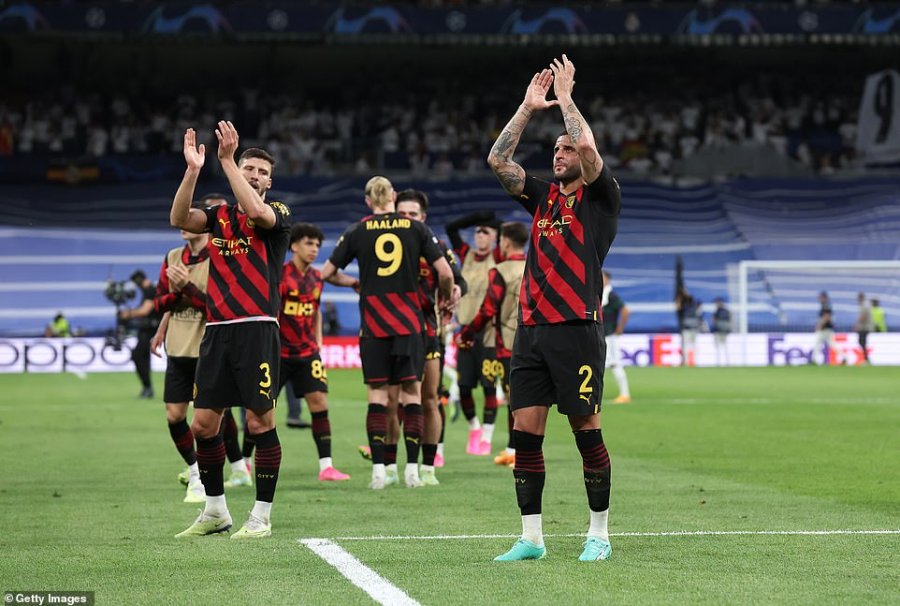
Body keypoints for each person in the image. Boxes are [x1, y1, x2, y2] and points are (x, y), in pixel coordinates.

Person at [487, 56, 621, 562]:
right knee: (525, 433)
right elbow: (498, 161)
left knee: (586, 430)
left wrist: (565, 99)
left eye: (565, 149)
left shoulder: (601, 198)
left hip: (577, 330)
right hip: (532, 331)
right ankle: (532, 538)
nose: (560, 153)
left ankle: (599, 534)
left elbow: (588, 148)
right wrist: (527, 109)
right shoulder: (542, 198)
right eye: (556, 149)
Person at [170, 123, 291, 539]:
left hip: (257, 330)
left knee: (259, 423)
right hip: (217, 331)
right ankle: (216, 511)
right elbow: (178, 218)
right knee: (203, 425)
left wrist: (226, 161)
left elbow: (257, 213)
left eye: (261, 172)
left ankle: (261, 517)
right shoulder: (219, 217)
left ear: (269, 182)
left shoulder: (279, 214)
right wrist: (193, 171)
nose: (255, 175)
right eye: (248, 168)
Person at [321, 176, 454, 489]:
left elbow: (326, 273)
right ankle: (413, 472)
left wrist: (355, 283)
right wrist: (445, 298)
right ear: (393, 196)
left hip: (374, 325)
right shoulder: (416, 228)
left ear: (368, 201)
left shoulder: (357, 230)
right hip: (410, 325)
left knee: (378, 398)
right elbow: (445, 273)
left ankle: (379, 471)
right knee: (412, 396)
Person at [395, 188, 466, 485]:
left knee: (430, 399)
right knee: (392, 400)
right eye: (402, 214)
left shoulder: (435, 245)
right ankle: (387, 465)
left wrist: (457, 290)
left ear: (423, 218)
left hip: (428, 330)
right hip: (392, 331)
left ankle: (428, 467)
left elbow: (458, 279)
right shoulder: (383, 244)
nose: (408, 219)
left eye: (413, 214)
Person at [149, 199, 215, 503]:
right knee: (174, 416)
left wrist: (187, 287)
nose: (182, 226)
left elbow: (215, 307)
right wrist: (176, 293)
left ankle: (209, 478)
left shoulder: (217, 257)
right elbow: (159, 302)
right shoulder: (173, 257)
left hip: (207, 351)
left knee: (207, 422)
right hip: (177, 349)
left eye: (189, 220)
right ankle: (194, 468)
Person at [279, 222, 356, 481]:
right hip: (278, 353)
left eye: (317, 245)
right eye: (308, 243)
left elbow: (315, 311)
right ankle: (244, 464)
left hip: (307, 353)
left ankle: (326, 467)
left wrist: (319, 339)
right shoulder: (279, 275)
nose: (314, 249)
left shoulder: (316, 278)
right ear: (294, 246)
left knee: (320, 403)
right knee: (261, 411)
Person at [458, 221, 529, 467]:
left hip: (509, 342)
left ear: (505, 242)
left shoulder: (500, 271)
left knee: (513, 398)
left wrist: (468, 331)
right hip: (536, 340)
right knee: (529, 398)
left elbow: (489, 309)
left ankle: (517, 451)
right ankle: (515, 449)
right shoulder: (537, 267)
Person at [446, 210, 503, 455]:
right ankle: (474, 427)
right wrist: (478, 217)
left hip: (489, 333)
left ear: (495, 237)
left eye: (485, 232)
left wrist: (493, 222)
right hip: (466, 332)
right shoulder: (465, 255)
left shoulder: (498, 257)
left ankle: (487, 438)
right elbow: (451, 228)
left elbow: (510, 231)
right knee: (464, 387)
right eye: (477, 231)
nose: (480, 235)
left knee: (490, 387)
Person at [119, 269, 160, 398]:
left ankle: (147, 387)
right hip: (147, 329)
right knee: (143, 357)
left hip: (151, 330)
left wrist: (128, 314)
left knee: (138, 355)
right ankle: (147, 388)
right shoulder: (149, 291)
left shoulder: (150, 291)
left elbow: (145, 311)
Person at [601, 271, 631, 404]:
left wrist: (620, 327)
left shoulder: (611, 295)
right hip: (602, 335)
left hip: (610, 336)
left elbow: (626, 310)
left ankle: (625, 394)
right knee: (605, 365)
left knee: (615, 364)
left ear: (608, 280)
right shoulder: (602, 294)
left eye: (602, 277)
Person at [675, 286, 702, 367]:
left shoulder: (689, 303)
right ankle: (688, 362)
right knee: (689, 345)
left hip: (690, 326)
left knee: (689, 345)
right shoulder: (688, 303)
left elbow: (678, 307)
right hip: (691, 326)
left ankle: (691, 362)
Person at [814, 291, 838, 365]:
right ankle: (844, 357)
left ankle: (815, 360)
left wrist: (819, 325)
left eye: (821, 298)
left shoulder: (826, 306)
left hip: (825, 330)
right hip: (826, 329)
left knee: (819, 344)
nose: (820, 299)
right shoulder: (826, 306)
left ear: (825, 298)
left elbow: (826, 317)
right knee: (829, 344)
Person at [711, 297, 731, 366]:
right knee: (725, 347)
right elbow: (730, 320)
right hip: (725, 331)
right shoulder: (727, 311)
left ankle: (718, 362)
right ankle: (727, 362)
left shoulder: (717, 311)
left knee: (718, 347)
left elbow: (714, 320)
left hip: (718, 331)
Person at [854, 292, 874, 364]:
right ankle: (866, 358)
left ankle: (866, 359)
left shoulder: (864, 305)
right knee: (862, 342)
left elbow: (863, 316)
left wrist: (857, 325)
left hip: (864, 327)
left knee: (862, 342)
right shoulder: (867, 304)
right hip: (866, 326)